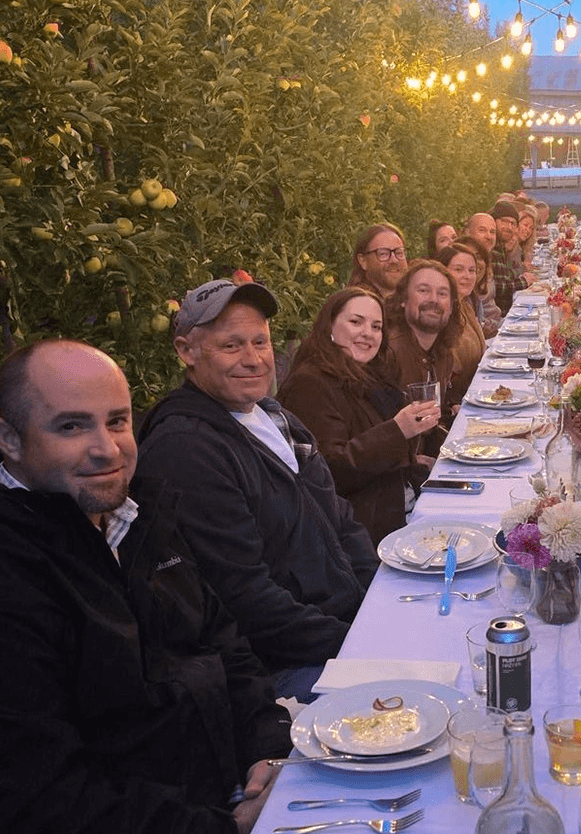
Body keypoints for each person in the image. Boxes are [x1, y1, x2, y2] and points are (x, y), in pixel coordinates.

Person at [0, 341, 291, 834]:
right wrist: (227, 832)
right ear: (10, 440)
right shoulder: (17, 572)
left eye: (117, 420)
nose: (106, 448)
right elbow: (47, 813)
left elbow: (229, 650)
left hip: (196, 819)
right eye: (71, 425)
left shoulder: (133, 518)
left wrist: (269, 754)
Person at [137, 278, 379, 697]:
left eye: (260, 343)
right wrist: (358, 643)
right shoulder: (187, 449)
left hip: (338, 628)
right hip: (284, 668)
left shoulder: (274, 415)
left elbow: (339, 518)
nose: (252, 359)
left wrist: (380, 603)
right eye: (232, 346)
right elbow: (246, 600)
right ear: (186, 352)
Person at [277, 288, 440, 545]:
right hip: (363, 532)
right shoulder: (310, 384)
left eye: (376, 327)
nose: (368, 333)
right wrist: (397, 431)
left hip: (397, 501)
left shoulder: (369, 374)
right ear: (329, 326)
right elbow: (330, 470)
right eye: (356, 322)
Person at [385, 260, 463, 454]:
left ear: (451, 307)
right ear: (403, 299)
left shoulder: (443, 352)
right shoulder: (388, 353)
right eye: (423, 290)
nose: (434, 300)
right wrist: (412, 463)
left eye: (442, 294)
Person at [438, 240, 487, 389]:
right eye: (459, 269)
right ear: (443, 271)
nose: (467, 276)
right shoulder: (440, 315)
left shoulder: (465, 307)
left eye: (472, 270)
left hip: (477, 389)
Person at [349, 222, 408, 297]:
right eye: (383, 254)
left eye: (399, 252)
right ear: (363, 261)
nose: (394, 260)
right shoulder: (358, 303)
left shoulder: (411, 301)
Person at [490, 200, 527, 313]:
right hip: (499, 316)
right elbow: (501, 288)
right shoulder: (493, 248)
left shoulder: (500, 247)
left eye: (513, 224)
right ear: (494, 222)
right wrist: (525, 281)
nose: (509, 227)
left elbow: (505, 279)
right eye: (505, 221)